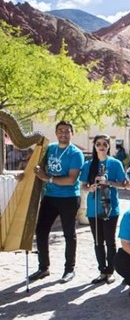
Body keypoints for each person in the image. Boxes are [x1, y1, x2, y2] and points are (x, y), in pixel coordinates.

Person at [28, 121, 84, 283]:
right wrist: (24, 174)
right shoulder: (50, 148)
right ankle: (43, 267)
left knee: (69, 234)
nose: (63, 134)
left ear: (72, 133)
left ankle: (69, 270)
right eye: (60, 131)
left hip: (69, 198)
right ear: (56, 133)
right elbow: (35, 165)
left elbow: (71, 180)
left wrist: (47, 178)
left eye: (67, 131)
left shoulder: (75, 153)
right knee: (41, 231)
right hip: (50, 197)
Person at [80, 134, 127, 284]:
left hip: (111, 207)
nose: (101, 146)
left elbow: (123, 184)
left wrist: (109, 183)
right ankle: (102, 270)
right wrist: (91, 188)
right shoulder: (88, 165)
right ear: (94, 146)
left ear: (108, 146)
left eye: (104, 144)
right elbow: (83, 186)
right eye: (98, 144)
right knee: (98, 241)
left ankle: (110, 270)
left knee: (110, 241)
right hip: (93, 208)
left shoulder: (115, 163)